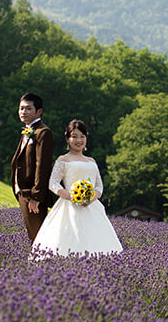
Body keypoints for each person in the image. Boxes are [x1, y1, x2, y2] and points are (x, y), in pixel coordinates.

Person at [31, 120, 123, 257]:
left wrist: (90, 199)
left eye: (82, 136)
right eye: (74, 136)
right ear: (68, 139)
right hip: (69, 206)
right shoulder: (63, 160)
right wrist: (72, 197)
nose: (78, 140)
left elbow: (99, 186)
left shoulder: (91, 161)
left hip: (91, 206)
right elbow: (53, 183)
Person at [11, 92, 55, 244]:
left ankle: (44, 267)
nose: (23, 112)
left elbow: (42, 166)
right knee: (33, 237)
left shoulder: (43, 133)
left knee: (38, 239)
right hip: (23, 193)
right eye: (21, 108)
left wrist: (36, 196)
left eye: (28, 109)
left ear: (39, 111)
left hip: (33, 196)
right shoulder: (28, 131)